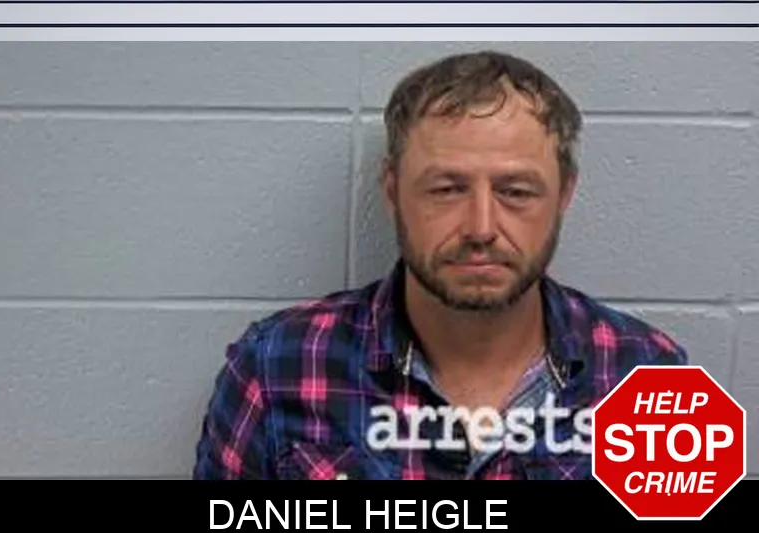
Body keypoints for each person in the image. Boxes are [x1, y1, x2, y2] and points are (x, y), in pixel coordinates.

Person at [192, 50, 688, 480]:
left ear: (564, 195)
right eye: (447, 189)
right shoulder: (277, 368)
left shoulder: (651, 379)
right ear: (393, 190)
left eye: (516, 192)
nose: (481, 228)